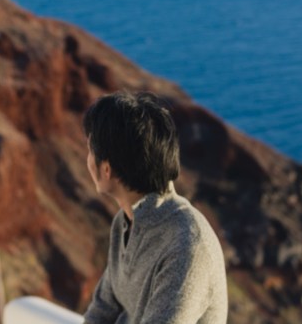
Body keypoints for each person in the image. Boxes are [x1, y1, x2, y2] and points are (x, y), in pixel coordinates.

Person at [82, 91, 228, 324]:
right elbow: (102, 309)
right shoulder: (125, 223)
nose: (87, 159)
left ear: (106, 169)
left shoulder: (187, 246)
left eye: (90, 151)